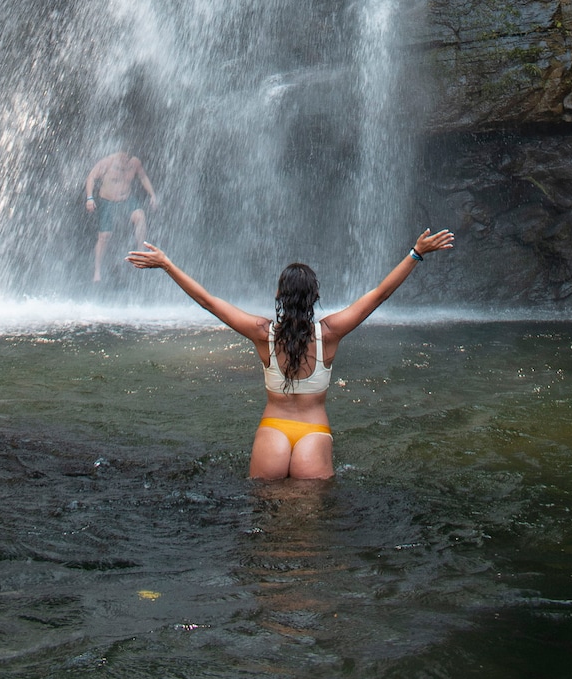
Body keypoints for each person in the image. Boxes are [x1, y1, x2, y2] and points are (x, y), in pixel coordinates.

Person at [127, 228, 454, 479]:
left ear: (278, 295)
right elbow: (380, 295)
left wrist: (167, 265)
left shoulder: (262, 334)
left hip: (272, 431)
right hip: (314, 433)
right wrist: (416, 253)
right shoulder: (329, 333)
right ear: (315, 297)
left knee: (267, 520)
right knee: (306, 529)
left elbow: (208, 302)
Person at [85, 151, 157, 282]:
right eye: (122, 158)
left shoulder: (134, 163)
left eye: (127, 158)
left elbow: (143, 177)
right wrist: (90, 198)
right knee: (104, 236)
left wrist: (152, 194)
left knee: (140, 216)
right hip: (108, 201)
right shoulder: (107, 163)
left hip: (126, 199)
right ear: (118, 156)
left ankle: (141, 252)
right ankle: (97, 271)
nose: (125, 162)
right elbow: (91, 177)